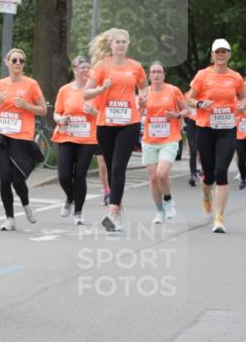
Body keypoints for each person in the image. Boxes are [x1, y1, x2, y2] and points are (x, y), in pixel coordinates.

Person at [84, 28, 148, 232]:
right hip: (105, 123)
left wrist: (143, 97)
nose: (120, 45)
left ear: (128, 45)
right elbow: (86, 93)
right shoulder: (101, 67)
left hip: (129, 122)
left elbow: (144, 87)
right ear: (110, 45)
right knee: (112, 168)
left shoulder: (136, 67)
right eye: (117, 42)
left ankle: (112, 212)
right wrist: (102, 89)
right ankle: (118, 208)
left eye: (123, 42)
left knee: (119, 166)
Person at [186, 39, 246, 233]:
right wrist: (200, 104)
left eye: (224, 51)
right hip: (205, 128)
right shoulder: (203, 75)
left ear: (229, 54)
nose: (221, 54)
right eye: (217, 52)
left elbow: (242, 96)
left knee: (221, 171)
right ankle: (206, 197)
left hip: (227, 128)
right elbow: (189, 99)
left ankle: (219, 218)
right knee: (209, 175)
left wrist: (242, 105)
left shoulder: (235, 77)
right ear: (212, 55)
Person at [0, 48, 45, 231]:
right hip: (4, 137)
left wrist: (27, 105)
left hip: (23, 137)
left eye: (21, 61)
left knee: (18, 179)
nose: (18, 63)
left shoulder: (31, 84)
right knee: (5, 178)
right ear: (7, 62)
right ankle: (10, 218)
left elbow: (43, 109)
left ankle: (26, 205)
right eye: (14, 60)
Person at [52, 56, 98, 225]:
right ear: (75, 70)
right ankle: (70, 198)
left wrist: (94, 112)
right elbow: (57, 112)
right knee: (64, 175)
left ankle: (78, 212)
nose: (86, 70)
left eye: (88, 67)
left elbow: (103, 116)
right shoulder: (65, 90)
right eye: (82, 67)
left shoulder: (95, 90)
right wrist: (59, 119)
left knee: (79, 175)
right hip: (67, 135)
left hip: (87, 138)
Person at [141, 62, 186, 223]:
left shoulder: (173, 90)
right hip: (150, 139)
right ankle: (160, 211)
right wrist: (139, 107)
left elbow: (186, 110)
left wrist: (177, 115)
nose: (156, 75)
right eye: (153, 72)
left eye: (159, 71)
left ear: (164, 74)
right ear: (149, 75)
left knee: (162, 174)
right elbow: (137, 113)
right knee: (153, 178)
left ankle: (168, 199)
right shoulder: (144, 92)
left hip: (170, 138)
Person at [183, 97, 201, 186]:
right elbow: (183, 109)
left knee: (203, 150)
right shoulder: (187, 95)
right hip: (191, 123)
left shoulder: (205, 94)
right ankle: (193, 174)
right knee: (193, 151)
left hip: (202, 123)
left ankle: (204, 171)